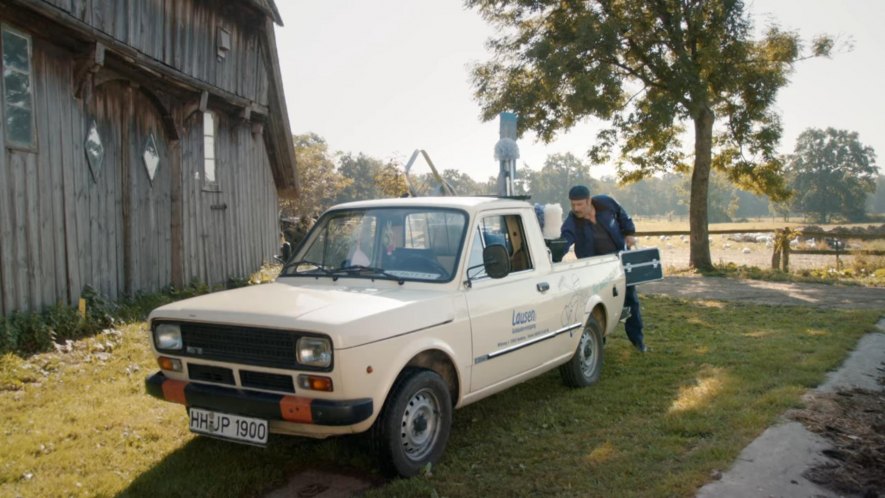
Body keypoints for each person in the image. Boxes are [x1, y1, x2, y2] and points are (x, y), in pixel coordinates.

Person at [560, 185, 647, 352]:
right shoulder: (571, 222)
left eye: (580, 204)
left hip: (619, 262)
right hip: (595, 271)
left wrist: (629, 233)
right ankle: (598, 345)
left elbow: (623, 215)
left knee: (631, 301)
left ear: (589, 200)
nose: (576, 209)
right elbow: (565, 240)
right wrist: (554, 253)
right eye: (573, 205)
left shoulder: (606, 203)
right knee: (598, 307)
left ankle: (638, 342)